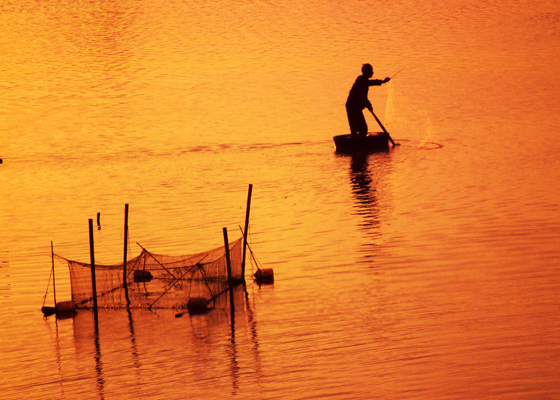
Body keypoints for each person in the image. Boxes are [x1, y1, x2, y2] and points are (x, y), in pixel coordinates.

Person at [346, 64, 390, 136]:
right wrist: (368, 105)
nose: (372, 72)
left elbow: (370, 84)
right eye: (371, 71)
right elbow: (362, 97)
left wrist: (383, 81)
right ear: (366, 72)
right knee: (361, 128)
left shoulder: (363, 81)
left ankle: (358, 142)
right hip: (352, 107)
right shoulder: (361, 81)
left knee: (360, 128)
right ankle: (359, 143)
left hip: (354, 108)